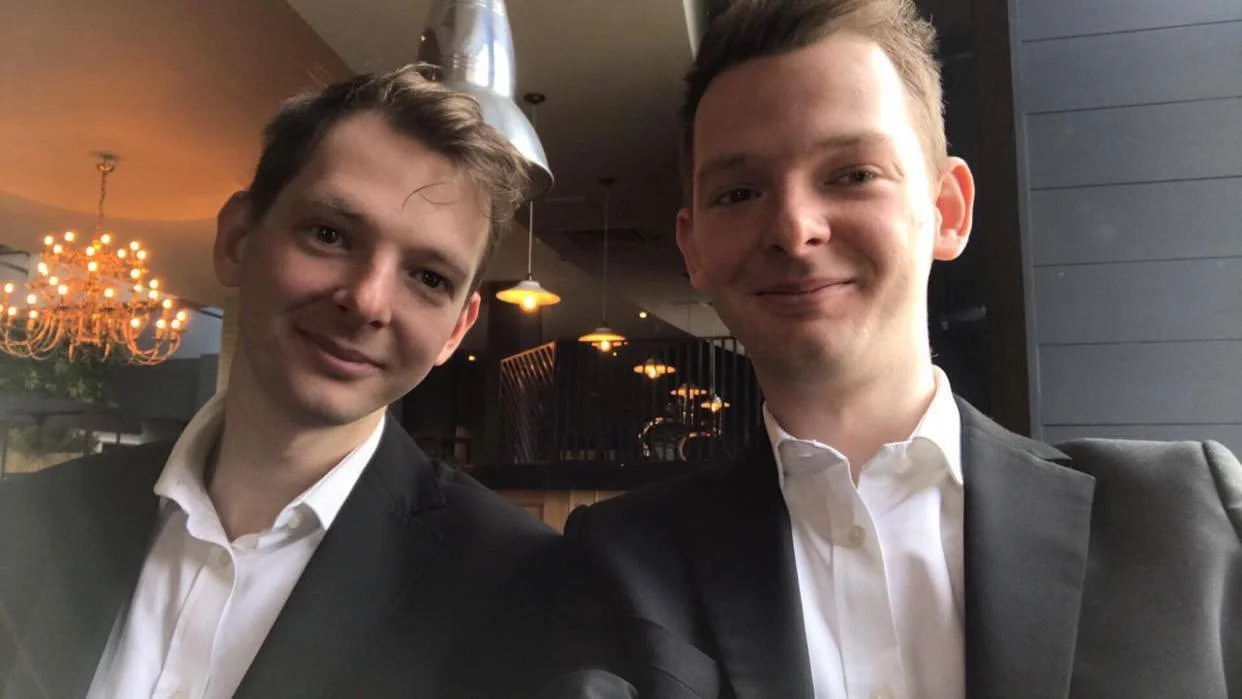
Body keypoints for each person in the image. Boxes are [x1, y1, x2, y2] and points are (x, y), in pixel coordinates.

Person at [561, 1, 1242, 697]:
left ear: (947, 210)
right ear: (693, 248)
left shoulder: (1189, 518)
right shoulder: (618, 563)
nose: (794, 229)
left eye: (852, 173)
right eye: (739, 192)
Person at [1, 65, 564, 699]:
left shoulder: (518, 588)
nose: (369, 301)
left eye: (429, 277)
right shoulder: (23, 521)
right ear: (239, 239)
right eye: (330, 235)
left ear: (457, 331)